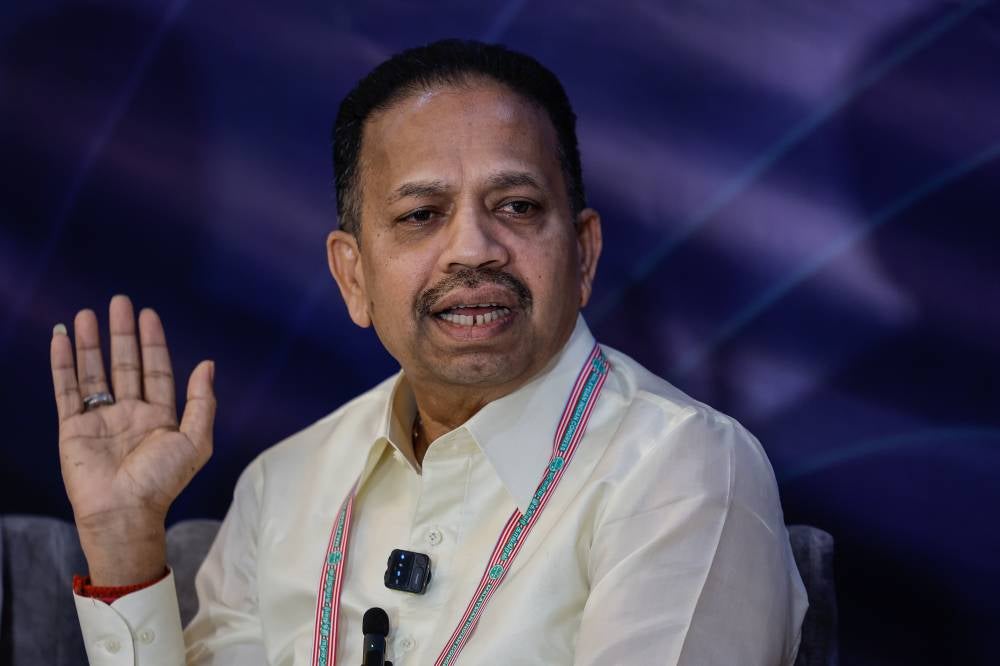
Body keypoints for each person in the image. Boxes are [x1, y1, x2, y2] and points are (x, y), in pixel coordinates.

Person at [51, 39, 807, 665]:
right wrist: (122, 541)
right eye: (421, 215)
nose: (472, 248)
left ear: (581, 254)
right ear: (353, 276)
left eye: (516, 207)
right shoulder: (282, 485)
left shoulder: (685, 469)